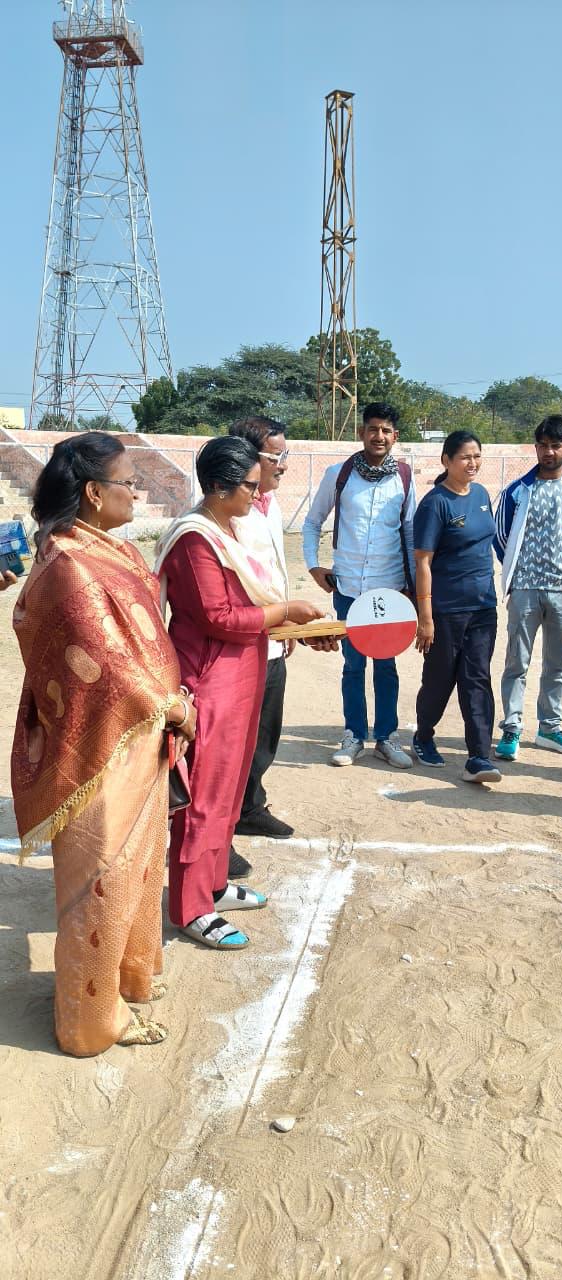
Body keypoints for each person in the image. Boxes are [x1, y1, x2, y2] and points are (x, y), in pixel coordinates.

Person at [11, 433, 196, 1056]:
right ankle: (89, 1020)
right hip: (100, 748)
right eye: (128, 482)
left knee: (141, 866)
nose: (137, 492)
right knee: (103, 876)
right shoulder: (69, 564)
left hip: (136, 739)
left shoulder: (105, 551)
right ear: (94, 493)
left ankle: (131, 975)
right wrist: (171, 705)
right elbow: (109, 660)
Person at [155, 436, 323, 950]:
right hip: (210, 679)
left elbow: (244, 612)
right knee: (203, 794)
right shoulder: (194, 539)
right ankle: (190, 906)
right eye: (250, 485)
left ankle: (213, 883)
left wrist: (298, 630)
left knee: (229, 788)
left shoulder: (226, 530)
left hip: (242, 672)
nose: (258, 492)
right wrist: (287, 613)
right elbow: (218, 618)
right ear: (219, 487)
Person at [302, 401, 416, 768]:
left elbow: (411, 532)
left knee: (386, 666)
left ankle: (386, 737)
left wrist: (412, 586)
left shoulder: (404, 478)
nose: (378, 436)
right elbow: (312, 522)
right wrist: (314, 566)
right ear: (361, 432)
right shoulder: (339, 474)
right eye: (373, 429)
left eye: (386, 430)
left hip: (388, 590)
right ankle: (353, 735)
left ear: (395, 437)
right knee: (352, 665)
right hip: (349, 586)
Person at [412, 430, 501, 783]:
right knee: (439, 679)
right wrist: (426, 618)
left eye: (477, 455)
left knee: (477, 678)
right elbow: (423, 563)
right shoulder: (435, 504)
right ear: (446, 460)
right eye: (465, 456)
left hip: (483, 608)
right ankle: (423, 735)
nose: (472, 462)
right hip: (446, 610)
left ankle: (479, 757)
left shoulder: (481, 495)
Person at [227, 418, 294, 873]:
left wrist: (287, 626)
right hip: (240, 646)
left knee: (264, 736)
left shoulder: (268, 505)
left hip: (272, 640)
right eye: (276, 457)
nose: (283, 466)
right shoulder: (224, 513)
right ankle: (220, 829)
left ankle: (250, 808)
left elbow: (274, 567)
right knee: (229, 746)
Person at [493, 415, 562, 759]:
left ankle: (550, 729)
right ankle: (511, 728)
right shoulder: (517, 491)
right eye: (542, 445)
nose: (548, 451)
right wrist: (515, 571)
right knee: (516, 662)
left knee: (556, 665)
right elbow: (500, 537)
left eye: (555, 445)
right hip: (524, 588)